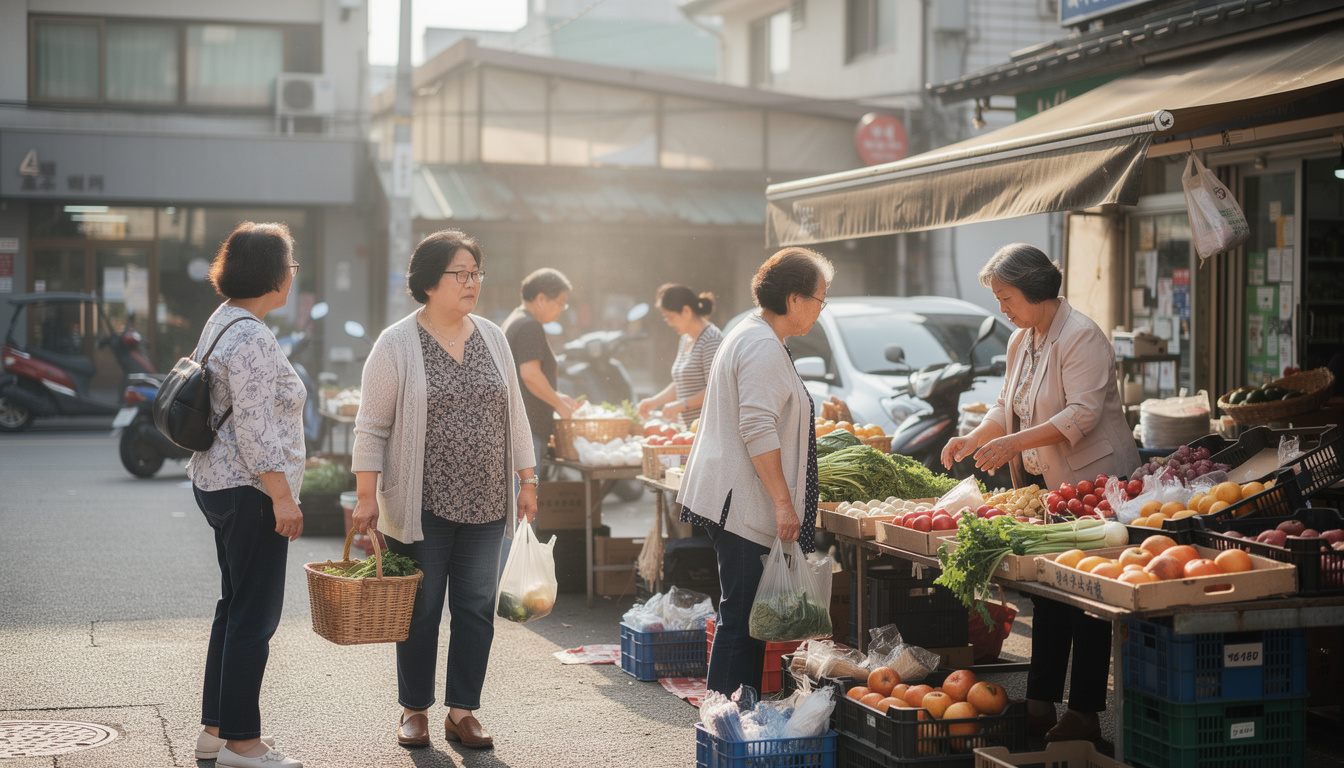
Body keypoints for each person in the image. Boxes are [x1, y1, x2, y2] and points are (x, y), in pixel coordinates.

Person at [940, 243, 1139, 744]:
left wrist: (1015, 441)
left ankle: (1087, 712)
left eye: (1006, 297)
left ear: (1034, 290)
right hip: (1044, 488)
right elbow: (1007, 405)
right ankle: (1041, 700)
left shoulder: (1082, 337)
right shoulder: (1021, 340)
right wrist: (977, 437)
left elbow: (1082, 415)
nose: (1002, 309)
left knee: (1089, 598)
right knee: (1050, 596)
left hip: (1091, 485)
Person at [350, 230, 538, 750]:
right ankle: (415, 710)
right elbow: (371, 427)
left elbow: (515, 414)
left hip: (486, 502)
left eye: (476, 273)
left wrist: (528, 477)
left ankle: (463, 710)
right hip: (422, 504)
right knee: (422, 608)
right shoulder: (396, 343)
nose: (472, 282)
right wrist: (367, 497)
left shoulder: (494, 337)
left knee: (476, 606)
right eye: (461, 274)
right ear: (430, 282)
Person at [676, 247, 834, 696]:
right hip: (744, 504)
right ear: (794, 299)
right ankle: (724, 720)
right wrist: (785, 503)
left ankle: (735, 714)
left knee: (744, 618)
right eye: (820, 299)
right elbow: (757, 426)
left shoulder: (754, 332)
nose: (821, 310)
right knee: (742, 619)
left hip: (737, 499)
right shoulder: (762, 344)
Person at [187, 222, 305, 768]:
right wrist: (284, 499)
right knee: (254, 618)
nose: (295, 272)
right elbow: (258, 434)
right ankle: (241, 742)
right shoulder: (254, 337)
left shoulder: (224, 320)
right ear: (274, 274)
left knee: (233, 609)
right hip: (252, 489)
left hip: (217, 483)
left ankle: (215, 729)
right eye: (291, 263)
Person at [501, 268, 579, 468]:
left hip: (518, 427)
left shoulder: (514, 319)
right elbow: (530, 375)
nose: (561, 309)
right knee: (525, 496)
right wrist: (558, 404)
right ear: (541, 298)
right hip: (529, 429)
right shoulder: (530, 326)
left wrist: (558, 397)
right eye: (560, 303)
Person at [637, 284, 723, 426]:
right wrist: (654, 402)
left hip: (707, 429)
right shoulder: (685, 339)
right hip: (689, 430)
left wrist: (681, 405)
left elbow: (715, 389)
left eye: (670, 317)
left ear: (686, 311)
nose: (669, 324)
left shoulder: (711, 339)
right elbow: (683, 384)